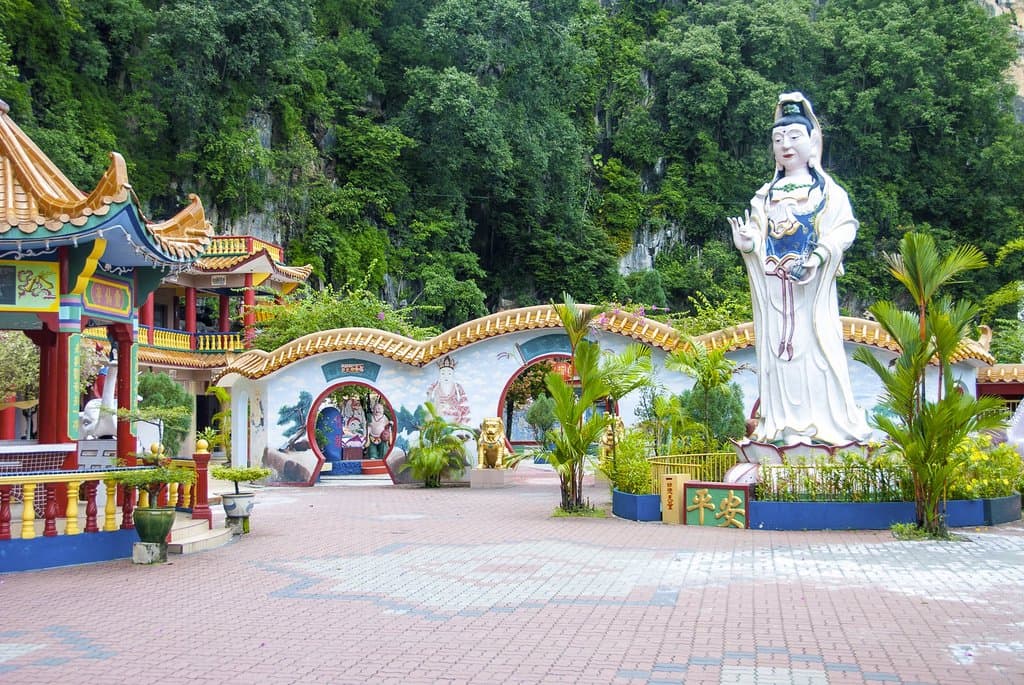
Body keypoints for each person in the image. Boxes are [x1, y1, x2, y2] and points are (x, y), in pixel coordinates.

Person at [728, 92, 870, 446]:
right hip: (776, 292)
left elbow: (846, 228)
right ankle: (780, 426)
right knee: (779, 358)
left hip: (811, 291)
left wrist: (820, 255)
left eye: (794, 137)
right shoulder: (764, 195)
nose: (786, 146)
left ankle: (825, 429)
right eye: (778, 140)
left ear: (812, 142)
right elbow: (757, 237)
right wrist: (747, 242)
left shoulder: (827, 193)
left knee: (817, 356)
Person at [426, 356, 471, 425]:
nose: (446, 376)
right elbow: (429, 403)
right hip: (439, 417)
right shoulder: (434, 388)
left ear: (452, 374)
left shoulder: (458, 388)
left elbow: (464, 404)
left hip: (455, 417)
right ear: (440, 374)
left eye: (449, 373)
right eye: (443, 373)